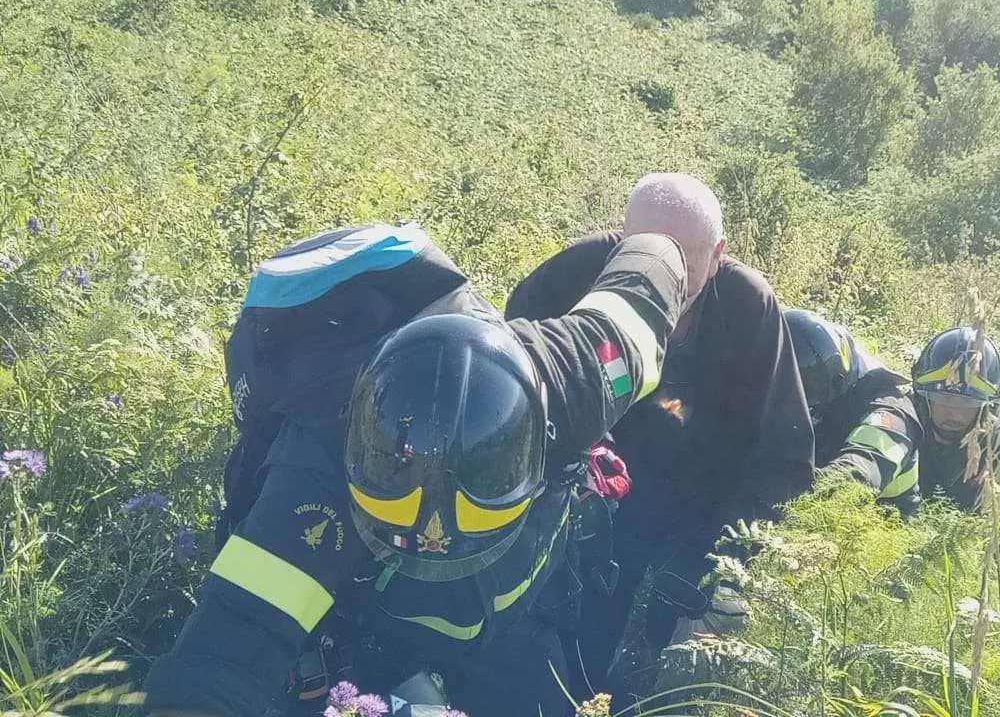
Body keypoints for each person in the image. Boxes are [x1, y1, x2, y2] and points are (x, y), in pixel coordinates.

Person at [142, 220, 701, 717]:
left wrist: (664, 236)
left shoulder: (573, 374)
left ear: (537, 442)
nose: (434, 538)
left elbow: (640, 297)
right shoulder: (313, 478)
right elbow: (222, 654)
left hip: (517, 626)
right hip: (373, 631)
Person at [503, 173, 815, 702]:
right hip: (594, 487)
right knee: (566, 651)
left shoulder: (746, 307)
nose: (668, 274)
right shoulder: (578, 272)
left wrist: (728, 562)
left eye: (686, 257)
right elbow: (510, 382)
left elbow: (785, 454)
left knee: (674, 668)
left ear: (718, 254)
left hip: (701, 501)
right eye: (648, 249)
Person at [783, 308, 923, 515]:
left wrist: (784, 509)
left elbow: (859, 470)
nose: (798, 402)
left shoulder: (891, 409)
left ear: (836, 380)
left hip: (878, 528)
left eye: (808, 391)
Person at [909, 326, 1000, 531]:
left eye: (968, 403)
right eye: (943, 399)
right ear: (922, 395)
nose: (955, 413)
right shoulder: (901, 423)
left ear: (988, 404)